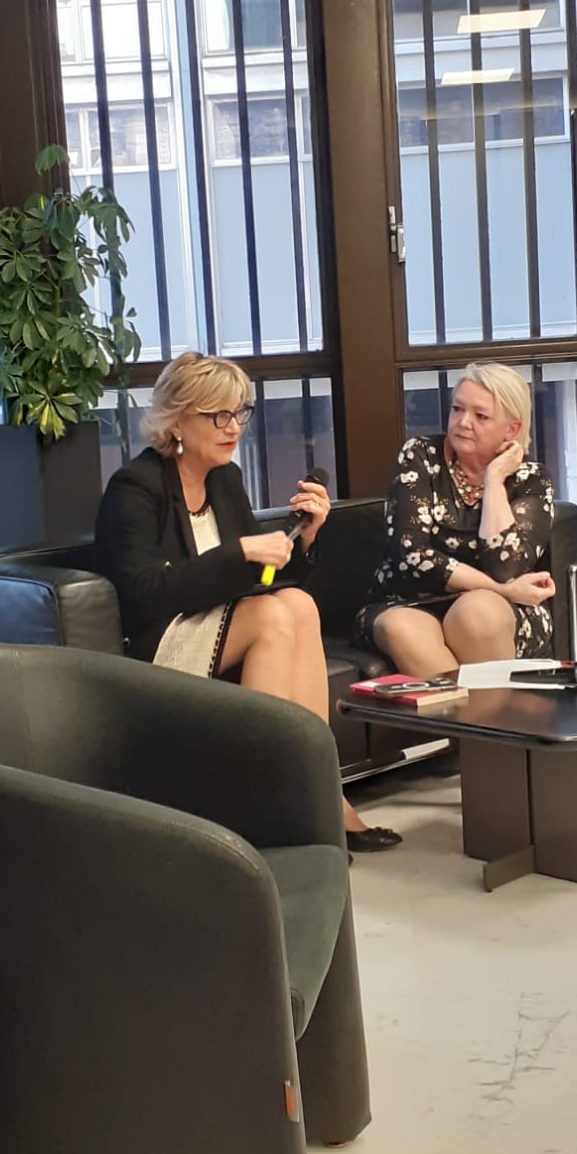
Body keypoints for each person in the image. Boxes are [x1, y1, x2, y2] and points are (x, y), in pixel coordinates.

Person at [95, 351, 401, 853]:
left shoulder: (224, 478)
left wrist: (304, 538)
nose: (233, 427)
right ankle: (268, 803)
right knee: (273, 615)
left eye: (239, 413)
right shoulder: (135, 486)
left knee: (296, 604)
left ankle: (321, 792)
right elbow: (144, 593)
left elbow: (261, 577)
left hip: (227, 621)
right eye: (217, 415)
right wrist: (237, 553)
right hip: (161, 640)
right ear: (176, 419)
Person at [358, 362, 557, 675]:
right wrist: (503, 589)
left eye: (481, 416)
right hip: (411, 600)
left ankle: (487, 707)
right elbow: (412, 556)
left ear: (512, 429)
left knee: (476, 612)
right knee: (400, 628)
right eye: (457, 409)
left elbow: (505, 568)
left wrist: (494, 480)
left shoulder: (531, 480)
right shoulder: (420, 456)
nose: (463, 422)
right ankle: (480, 708)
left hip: (499, 610)